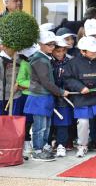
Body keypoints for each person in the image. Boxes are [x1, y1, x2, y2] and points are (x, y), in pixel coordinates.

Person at [63, 36, 96, 159]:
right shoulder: (73, 63)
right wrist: (80, 87)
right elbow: (68, 79)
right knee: (83, 122)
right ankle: (82, 145)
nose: (95, 52)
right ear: (83, 51)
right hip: (81, 98)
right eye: (92, 50)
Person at [23, 31, 69, 161]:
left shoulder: (44, 57)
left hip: (46, 96)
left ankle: (43, 147)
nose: (52, 47)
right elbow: (46, 81)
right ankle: (37, 150)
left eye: (53, 44)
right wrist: (60, 92)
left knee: (47, 125)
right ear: (40, 44)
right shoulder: (39, 59)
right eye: (49, 44)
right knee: (39, 126)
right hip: (39, 97)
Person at [51, 38, 73, 157]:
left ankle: (61, 144)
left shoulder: (70, 62)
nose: (60, 53)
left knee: (62, 121)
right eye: (57, 51)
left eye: (62, 50)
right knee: (48, 122)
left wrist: (65, 89)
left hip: (64, 96)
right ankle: (49, 143)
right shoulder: (49, 61)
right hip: (50, 95)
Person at [17, 45, 37, 158]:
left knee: (39, 120)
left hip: (39, 95)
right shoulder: (25, 64)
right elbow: (20, 80)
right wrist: (34, 85)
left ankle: (39, 144)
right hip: (27, 96)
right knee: (28, 121)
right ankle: (27, 142)